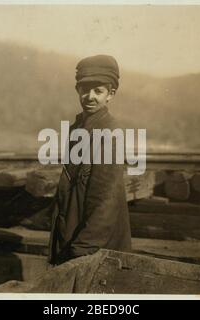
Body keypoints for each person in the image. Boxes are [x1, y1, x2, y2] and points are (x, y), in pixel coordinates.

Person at [48, 55, 132, 265]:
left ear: (110, 94)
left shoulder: (110, 133)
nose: (90, 96)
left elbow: (105, 201)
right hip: (73, 237)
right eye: (84, 89)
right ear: (77, 90)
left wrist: (80, 251)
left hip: (94, 248)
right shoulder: (78, 128)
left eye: (98, 90)